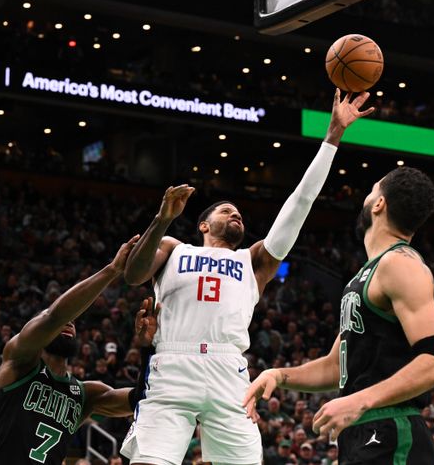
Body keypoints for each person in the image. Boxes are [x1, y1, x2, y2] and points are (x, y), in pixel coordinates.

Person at [121, 89, 375, 465]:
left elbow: (300, 204)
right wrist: (161, 220)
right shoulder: (175, 247)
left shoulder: (253, 261)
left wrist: (332, 137)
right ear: (204, 224)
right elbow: (133, 274)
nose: (235, 214)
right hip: (173, 365)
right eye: (227, 210)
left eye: (239, 212)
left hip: (229, 371)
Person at [245, 165, 434, 463]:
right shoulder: (368, 273)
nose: (366, 198)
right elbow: (335, 366)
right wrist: (279, 375)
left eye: (371, 191)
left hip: (392, 433)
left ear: (379, 204)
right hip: (360, 430)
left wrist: (360, 400)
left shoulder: (400, 264)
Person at [0, 236, 159, 465]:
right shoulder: (19, 362)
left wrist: (148, 347)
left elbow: (142, 397)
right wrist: (112, 270)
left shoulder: (85, 394)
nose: (70, 322)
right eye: (67, 319)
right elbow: (55, 316)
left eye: (74, 323)